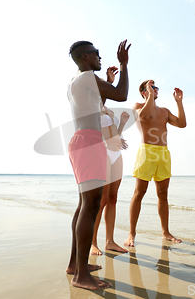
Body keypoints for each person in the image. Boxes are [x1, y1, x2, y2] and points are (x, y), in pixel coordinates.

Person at [65, 40, 131, 290]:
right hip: (89, 142)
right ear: (84, 57)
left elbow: (100, 101)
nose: (100, 57)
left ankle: (76, 265)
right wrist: (124, 64)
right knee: (91, 205)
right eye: (97, 54)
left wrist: (108, 80)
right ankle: (81, 275)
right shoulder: (86, 78)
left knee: (85, 204)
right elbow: (122, 94)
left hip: (82, 140)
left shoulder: (78, 81)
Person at [123, 80, 186, 247]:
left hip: (163, 154)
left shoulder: (164, 111)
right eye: (151, 88)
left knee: (163, 194)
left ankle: (165, 232)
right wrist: (149, 96)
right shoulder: (138, 106)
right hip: (146, 152)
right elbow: (143, 116)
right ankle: (131, 233)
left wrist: (179, 102)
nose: (155, 90)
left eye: (156, 88)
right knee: (139, 192)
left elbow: (181, 123)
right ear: (144, 92)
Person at [90, 106, 130, 255]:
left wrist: (123, 123)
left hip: (116, 153)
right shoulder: (93, 107)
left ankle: (110, 242)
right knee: (103, 199)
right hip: (104, 151)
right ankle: (93, 242)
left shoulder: (108, 109)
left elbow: (115, 134)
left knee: (113, 198)